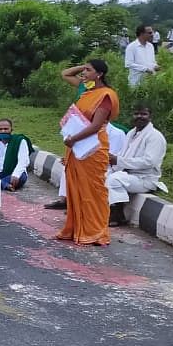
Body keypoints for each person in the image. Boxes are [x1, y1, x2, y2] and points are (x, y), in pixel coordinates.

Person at [55, 60, 120, 246]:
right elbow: (65, 73)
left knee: (93, 190)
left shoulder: (106, 95)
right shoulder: (86, 90)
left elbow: (95, 126)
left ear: (99, 74)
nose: (84, 73)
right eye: (84, 70)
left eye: (88, 70)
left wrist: (74, 139)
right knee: (76, 187)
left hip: (93, 147)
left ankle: (95, 231)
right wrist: (84, 65)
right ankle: (76, 228)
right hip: (77, 145)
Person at [108, 106, 168, 226]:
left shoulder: (155, 136)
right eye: (136, 113)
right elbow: (123, 154)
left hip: (144, 178)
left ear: (150, 117)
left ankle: (118, 214)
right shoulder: (131, 133)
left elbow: (149, 162)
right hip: (128, 174)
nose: (139, 116)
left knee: (114, 179)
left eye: (144, 114)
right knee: (102, 175)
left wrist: (119, 161)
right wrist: (113, 160)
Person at [43, 122, 126, 210]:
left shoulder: (117, 133)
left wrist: (87, 161)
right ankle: (65, 200)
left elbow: (111, 157)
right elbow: (82, 150)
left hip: (106, 167)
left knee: (87, 173)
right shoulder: (88, 130)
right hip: (89, 162)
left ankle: (86, 207)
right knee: (69, 167)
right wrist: (71, 159)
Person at [0, 118, 32, 191]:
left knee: (21, 177)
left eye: (6, 129)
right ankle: (4, 185)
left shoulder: (19, 141)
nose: (3, 131)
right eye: (0, 129)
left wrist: (16, 174)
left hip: (13, 174)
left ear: (11, 129)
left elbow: (23, 161)